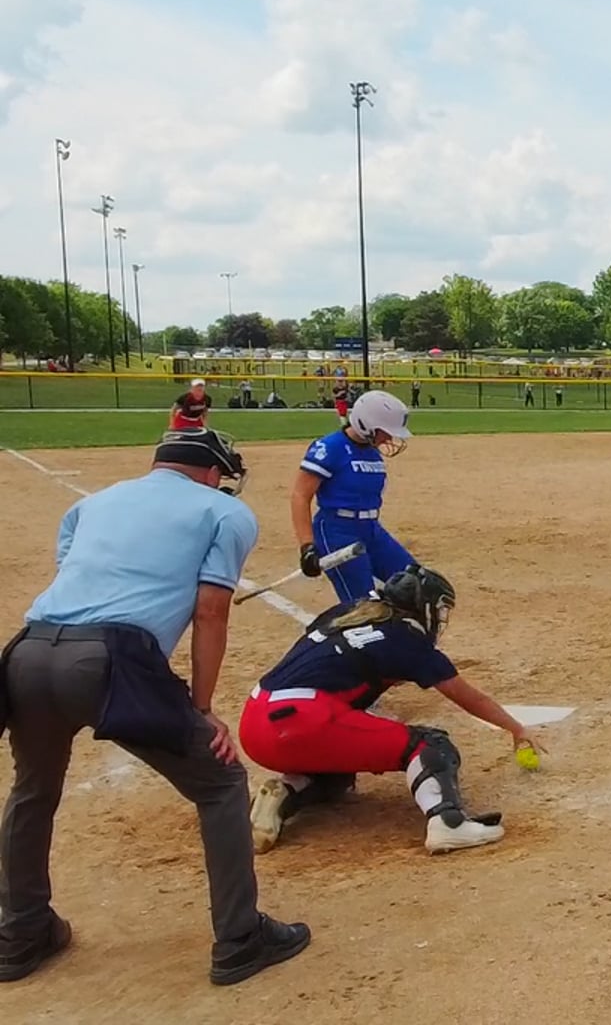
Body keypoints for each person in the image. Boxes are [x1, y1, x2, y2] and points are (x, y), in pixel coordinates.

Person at [0, 430, 310, 986]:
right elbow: (211, 612)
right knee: (220, 782)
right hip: (110, 659)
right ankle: (240, 938)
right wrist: (202, 707)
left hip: (28, 651)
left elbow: (79, 578)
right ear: (212, 472)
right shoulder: (223, 512)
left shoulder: (93, 502)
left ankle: (20, 933)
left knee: (33, 790)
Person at [242, 566, 541, 855]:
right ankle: (447, 822)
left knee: (339, 773)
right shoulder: (406, 640)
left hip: (255, 722)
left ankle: (286, 791)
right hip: (302, 721)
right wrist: (515, 727)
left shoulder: (346, 612)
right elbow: (468, 697)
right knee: (431, 745)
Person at [291, 389, 419, 605]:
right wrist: (307, 546)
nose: (389, 438)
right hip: (337, 533)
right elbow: (300, 496)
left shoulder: (371, 451)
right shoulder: (330, 448)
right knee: (363, 605)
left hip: (371, 529)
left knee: (416, 585)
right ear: (366, 424)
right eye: (385, 431)